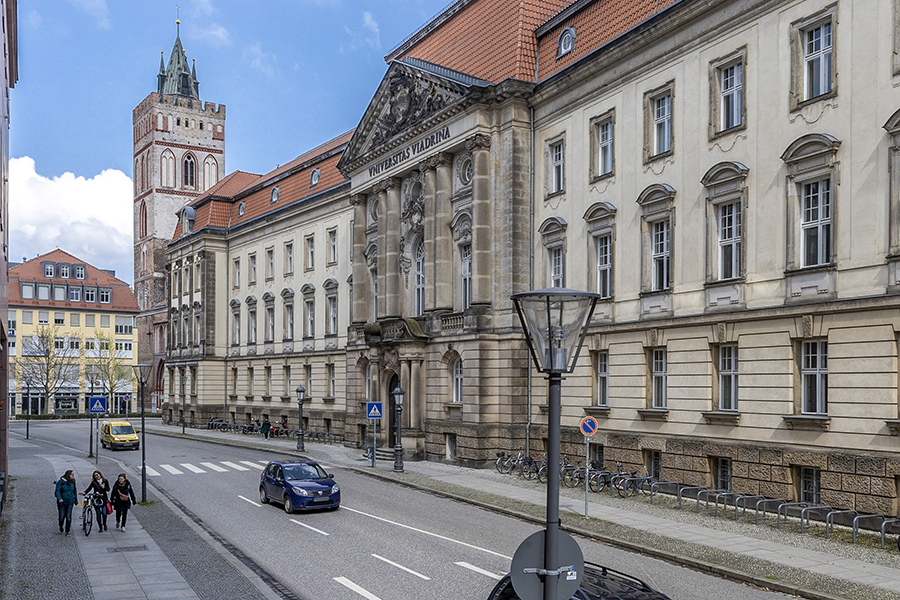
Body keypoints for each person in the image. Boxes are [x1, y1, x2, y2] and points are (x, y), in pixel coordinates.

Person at [54, 470, 77, 536]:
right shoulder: (61, 482)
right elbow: (57, 491)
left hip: (70, 501)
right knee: (62, 516)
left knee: (68, 516)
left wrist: (75, 500)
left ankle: (67, 531)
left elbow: (75, 490)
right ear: (68, 475)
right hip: (62, 502)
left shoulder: (73, 482)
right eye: (71, 474)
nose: (73, 476)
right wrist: (59, 498)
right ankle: (61, 525)